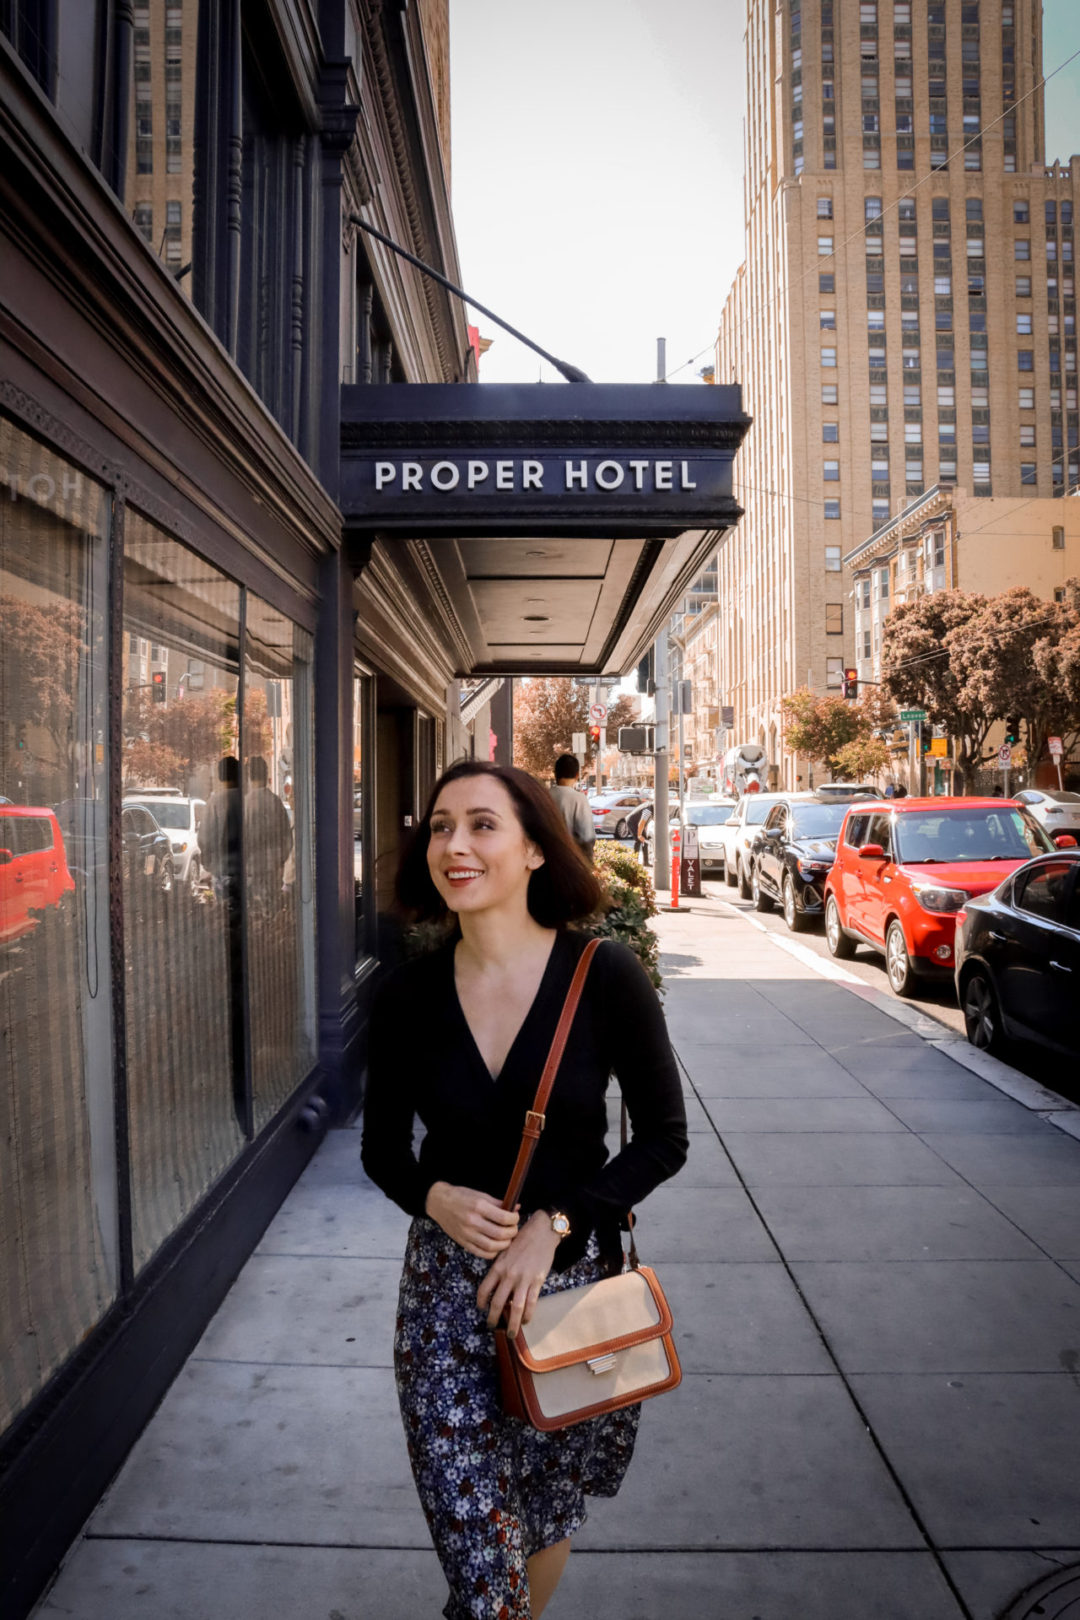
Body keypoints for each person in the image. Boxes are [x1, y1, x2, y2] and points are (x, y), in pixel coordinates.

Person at [361, 760, 688, 1620]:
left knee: (540, 1520)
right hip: (442, 1300)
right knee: (476, 1548)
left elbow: (664, 1139)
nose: (454, 845)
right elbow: (384, 1151)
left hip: (566, 1295)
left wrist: (557, 1222)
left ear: (537, 849)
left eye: (480, 824)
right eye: (439, 826)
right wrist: (431, 1197)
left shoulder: (604, 976)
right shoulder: (406, 995)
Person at [244, 755, 292, 906]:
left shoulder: (244, 805)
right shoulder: (275, 803)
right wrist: (279, 861)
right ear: (267, 776)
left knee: (252, 917)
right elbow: (287, 839)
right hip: (272, 870)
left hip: (250, 871)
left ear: (249, 777)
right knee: (270, 914)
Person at [199, 754, 241, 903]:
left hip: (222, 871)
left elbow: (205, 837)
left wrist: (210, 864)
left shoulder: (214, 802)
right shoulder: (245, 799)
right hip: (247, 872)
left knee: (225, 914)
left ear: (220, 777)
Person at [548, 752, 595, 860]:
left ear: (555, 774)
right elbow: (587, 836)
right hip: (570, 862)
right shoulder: (579, 799)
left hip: (545, 862)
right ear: (577, 775)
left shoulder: (543, 795)